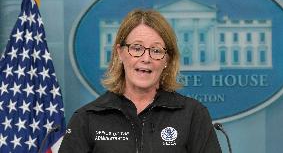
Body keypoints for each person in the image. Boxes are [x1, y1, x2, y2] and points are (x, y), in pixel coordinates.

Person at [59, 9, 222, 153]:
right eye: (137, 48)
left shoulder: (193, 114)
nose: (146, 58)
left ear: (167, 59)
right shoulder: (87, 118)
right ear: (120, 53)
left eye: (156, 50)